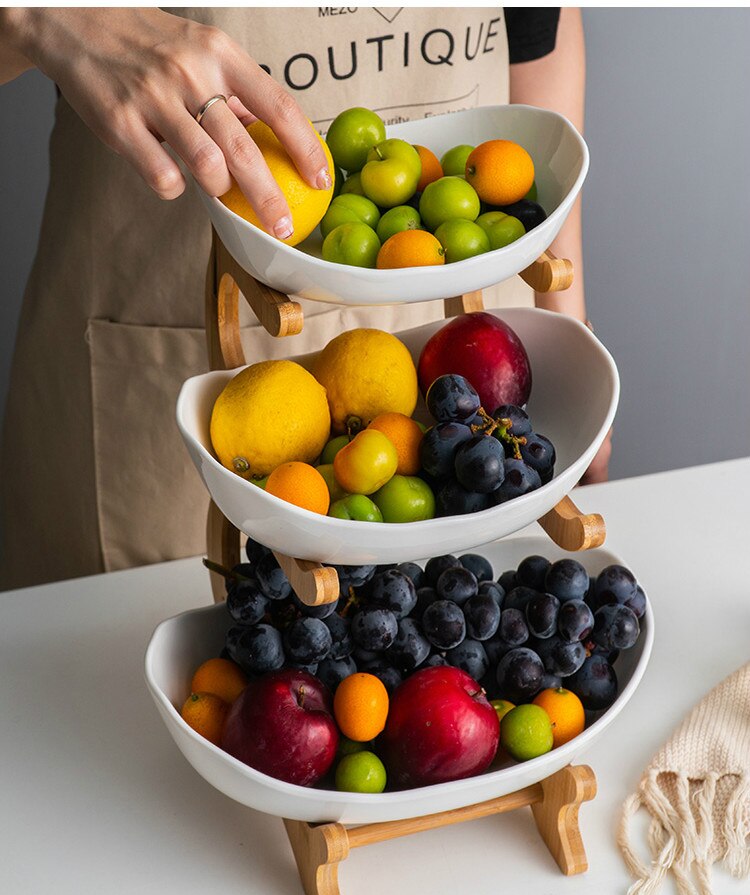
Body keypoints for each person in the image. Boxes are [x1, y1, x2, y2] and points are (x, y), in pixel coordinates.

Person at [0, 7, 607, 591]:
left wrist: (568, 324)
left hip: (475, 359)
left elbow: (540, 36)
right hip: (164, 389)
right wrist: (46, 16)